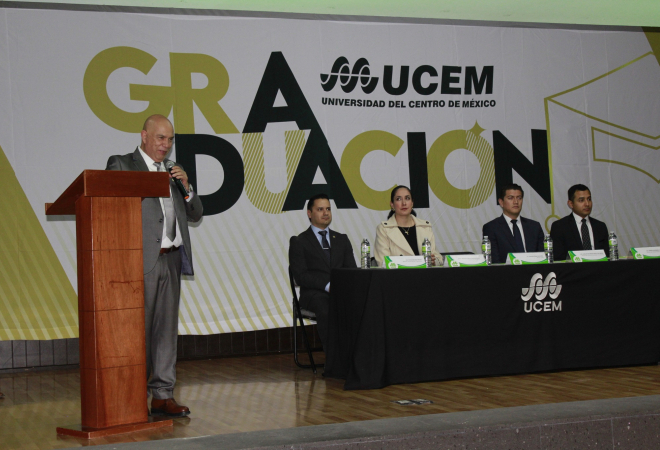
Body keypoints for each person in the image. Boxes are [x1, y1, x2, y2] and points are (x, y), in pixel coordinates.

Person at [106, 114, 203, 417]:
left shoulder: (174, 171)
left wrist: (186, 186)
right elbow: (111, 206)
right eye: (160, 138)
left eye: (170, 139)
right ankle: (134, 395)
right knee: (139, 332)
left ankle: (162, 395)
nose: (166, 144)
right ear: (144, 136)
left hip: (171, 259)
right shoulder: (122, 164)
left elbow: (196, 213)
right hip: (140, 259)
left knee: (166, 332)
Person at [289, 193, 357, 348]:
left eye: (328, 209)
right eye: (320, 209)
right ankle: (334, 358)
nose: (326, 213)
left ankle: (359, 354)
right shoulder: (299, 241)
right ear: (309, 213)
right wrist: (327, 286)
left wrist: (341, 287)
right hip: (314, 294)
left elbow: (351, 270)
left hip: (341, 292)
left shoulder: (342, 239)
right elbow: (301, 276)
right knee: (327, 309)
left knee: (365, 305)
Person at [374, 185, 443, 267]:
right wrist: (417, 262)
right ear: (392, 204)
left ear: (412, 203)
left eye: (407, 198)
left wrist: (433, 261)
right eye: (398, 199)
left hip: (425, 274)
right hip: (398, 275)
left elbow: (439, 259)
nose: (404, 203)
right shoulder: (383, 229)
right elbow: (383, 263)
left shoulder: (425, 227)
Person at [482, 184, 544, 264]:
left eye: (519, 198)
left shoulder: (534, 226)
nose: (516, 202)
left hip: (534, 270)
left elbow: (543, 257)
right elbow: (494, 261)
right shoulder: (492, 227)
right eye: (510, 198)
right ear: (501, 202)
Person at [550, 184, 609, 261]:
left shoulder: (600, 226)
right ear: (571, 204)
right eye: (581, 200)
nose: (587, 204)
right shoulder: (560, 227)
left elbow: (608, 256)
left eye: (589, 199)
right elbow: (558, 258)